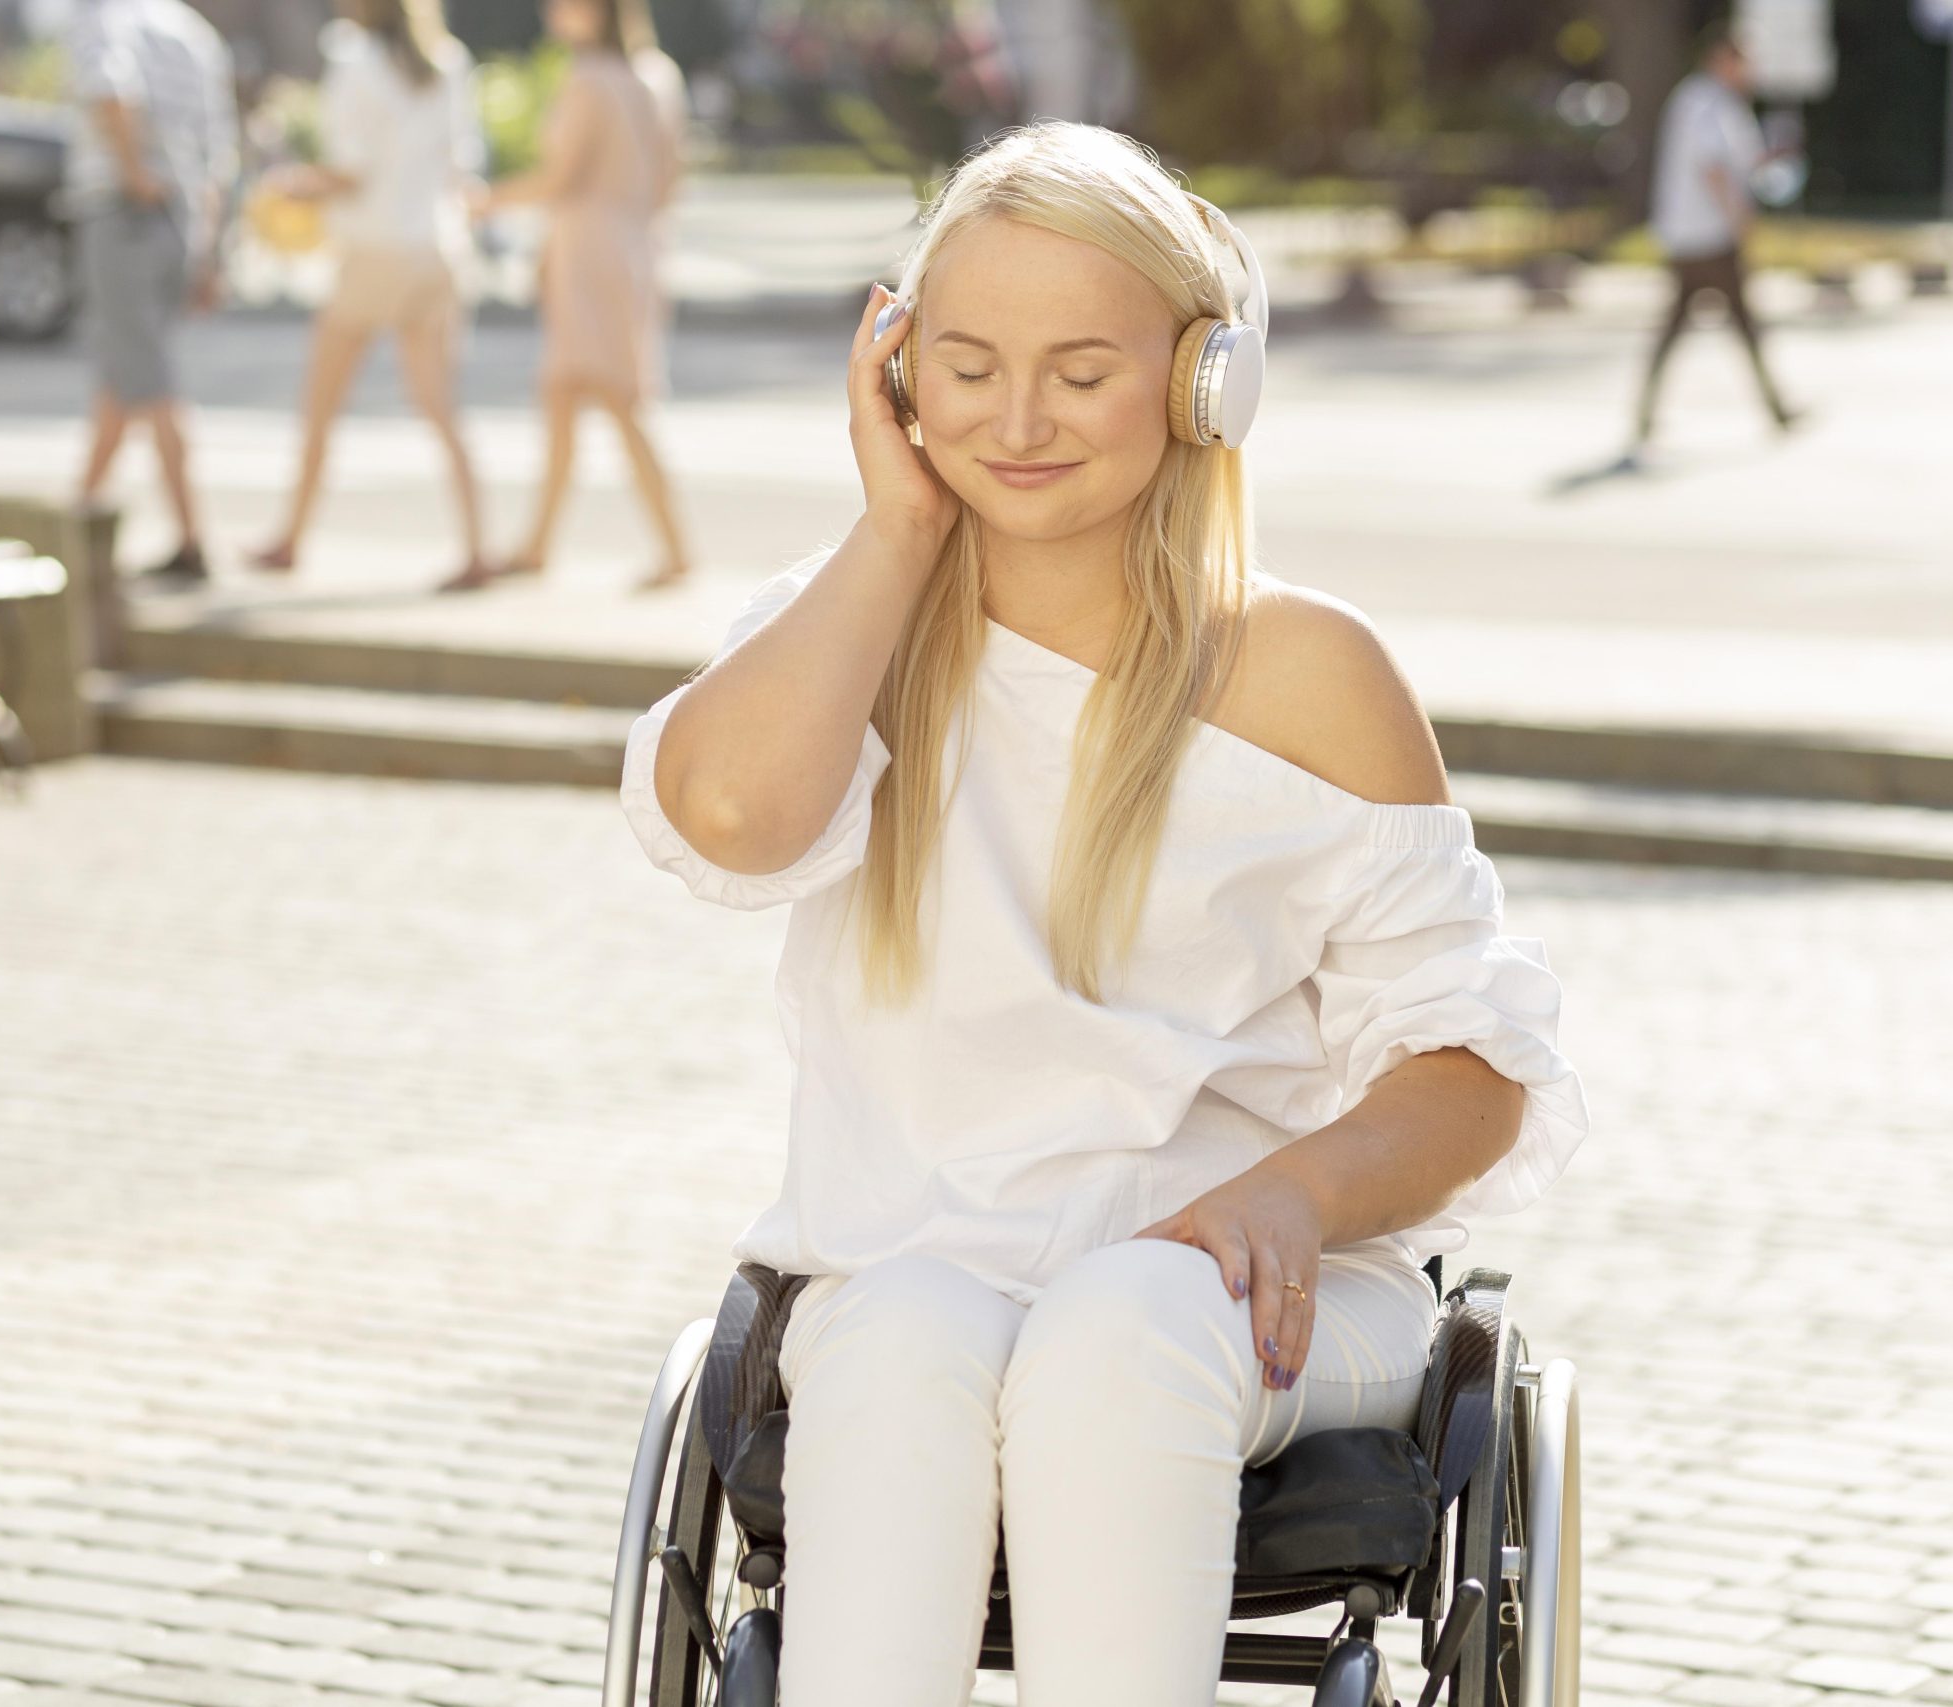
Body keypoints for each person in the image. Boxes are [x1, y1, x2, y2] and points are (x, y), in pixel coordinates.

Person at [619, 124, 1587, 1707]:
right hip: (912, 1265)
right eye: (966, 366)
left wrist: (1297, 1188)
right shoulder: (846, 627)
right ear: (897, 371)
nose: (1016, 421)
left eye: (1080, 371)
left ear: (1207, 380)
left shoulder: (1310, 673)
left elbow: (1472, 1066)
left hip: (1251, 1291)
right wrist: (898, 530)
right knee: (903, 1324)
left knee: (1123, 1318)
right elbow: (726, 815)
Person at [246, 0, 489, 587]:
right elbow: (462, 168)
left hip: (375, 251)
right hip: (436, 248)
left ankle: (291, 538)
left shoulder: (355, 59)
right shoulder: (449, 60)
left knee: (322, 404)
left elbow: (352, 171)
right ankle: (478, 548)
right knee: (443, 411)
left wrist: (293, 186)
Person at [462, 0, 690, 594]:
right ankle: (538, 543)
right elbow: (671, 178)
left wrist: (484, 201)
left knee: (619, 398)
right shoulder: (659, 74)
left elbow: (561, 179)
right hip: (632, 246)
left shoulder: (590, 77)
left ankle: (675, 548)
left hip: (589, 250)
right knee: (564, 393)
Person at [68, 0, 239, 582]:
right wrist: (208, 245)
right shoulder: (192, 32)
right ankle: (77, 517)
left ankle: (192, 540)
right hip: (179, 221)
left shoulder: (103, 16)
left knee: (150, 378)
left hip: (125, 213)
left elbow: (109, 91)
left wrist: (135, 173)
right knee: (125, 372)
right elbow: (218, 150)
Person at [1635, 23, 1799, 448]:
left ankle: (1645, 414)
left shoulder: (1716, 102)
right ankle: (1776, 408)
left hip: (1694, 235)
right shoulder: (1704, 101)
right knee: (1741, 323)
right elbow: (1713, 168)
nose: (1749, 71)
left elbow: (1741, 161)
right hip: (1705, 235)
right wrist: (1739, 219)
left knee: (1684, 326)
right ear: (1722, 60)